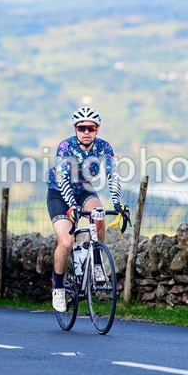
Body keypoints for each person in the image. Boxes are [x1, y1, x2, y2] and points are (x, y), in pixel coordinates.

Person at [45, 107, 123, 312]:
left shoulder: (104, 147)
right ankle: (58, 288)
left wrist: (117, 203)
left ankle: (96, 264)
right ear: (75, 130)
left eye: (91, 128)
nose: (86, 132)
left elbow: (113, 176)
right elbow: (63, 180)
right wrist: (72, 206)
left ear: (97, 130)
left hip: (84, 190)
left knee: (99, 213)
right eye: (82, 128)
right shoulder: (65, 147)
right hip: (59, 193)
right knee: (66, 242)